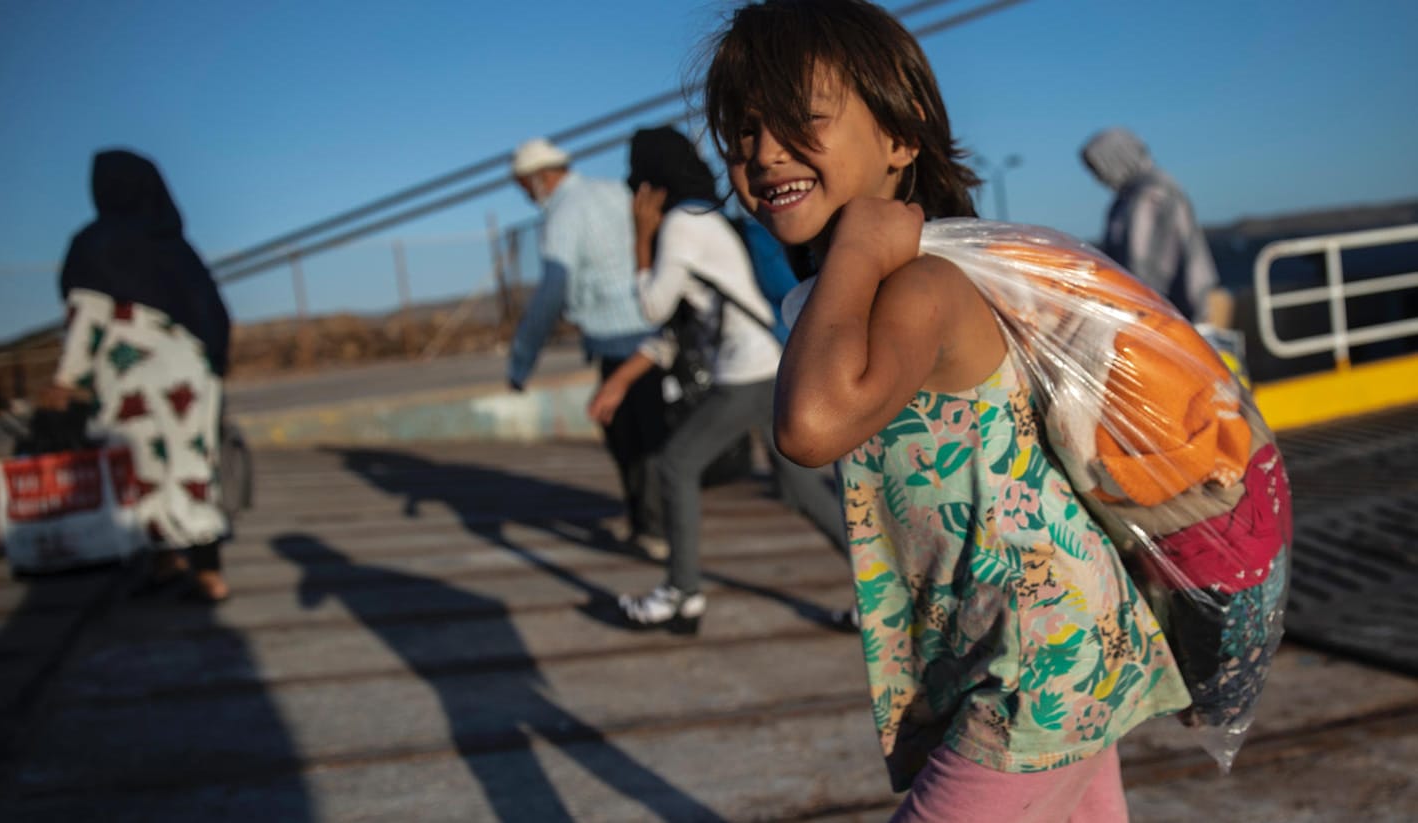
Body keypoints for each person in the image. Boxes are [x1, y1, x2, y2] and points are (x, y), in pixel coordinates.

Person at [702, 2, 1191, 820]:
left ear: (900, 137)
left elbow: (809, 427)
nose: (762, 153)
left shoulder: (923, 287)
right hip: (1021, 645)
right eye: (743, 132)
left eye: (797, 123)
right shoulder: (848, 296)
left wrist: (859, 244)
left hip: (1035, 661)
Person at [590, 126, 851, 634]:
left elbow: (651, 306)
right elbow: (679, 327)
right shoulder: (703, 217)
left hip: (749, 370)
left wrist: (640, 239)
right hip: (767, 364)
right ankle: (881, 592)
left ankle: (682, 594)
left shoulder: (682, 226)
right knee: (800, 488)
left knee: (674, 464)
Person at [47, 149, 233, 602]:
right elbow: (215, 315)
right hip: (190, 373)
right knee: (192, 466)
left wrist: (66, 380)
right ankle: (208, 573)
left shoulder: (94, 244)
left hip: (129, 376)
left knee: (140, 468)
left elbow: (86, 317)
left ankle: (163, 561)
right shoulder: (175, 244)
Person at [507, 137, 668, 558]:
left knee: (631, 443)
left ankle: (654, 530)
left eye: (523, 185)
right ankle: (651, 524)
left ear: (540, 177)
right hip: (652, 325)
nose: (525, 194)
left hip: (617, 342)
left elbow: (552, 291)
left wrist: (522, 358)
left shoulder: (562, 213)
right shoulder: (613, 190)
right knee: (648, 435)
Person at [1081, 127, 1233, 328]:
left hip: (1169, 314)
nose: (1099, 177)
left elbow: (1145, 268)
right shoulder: (1129, 197)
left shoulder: (1151, 195)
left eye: (1099, 167)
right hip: (1156, 310)